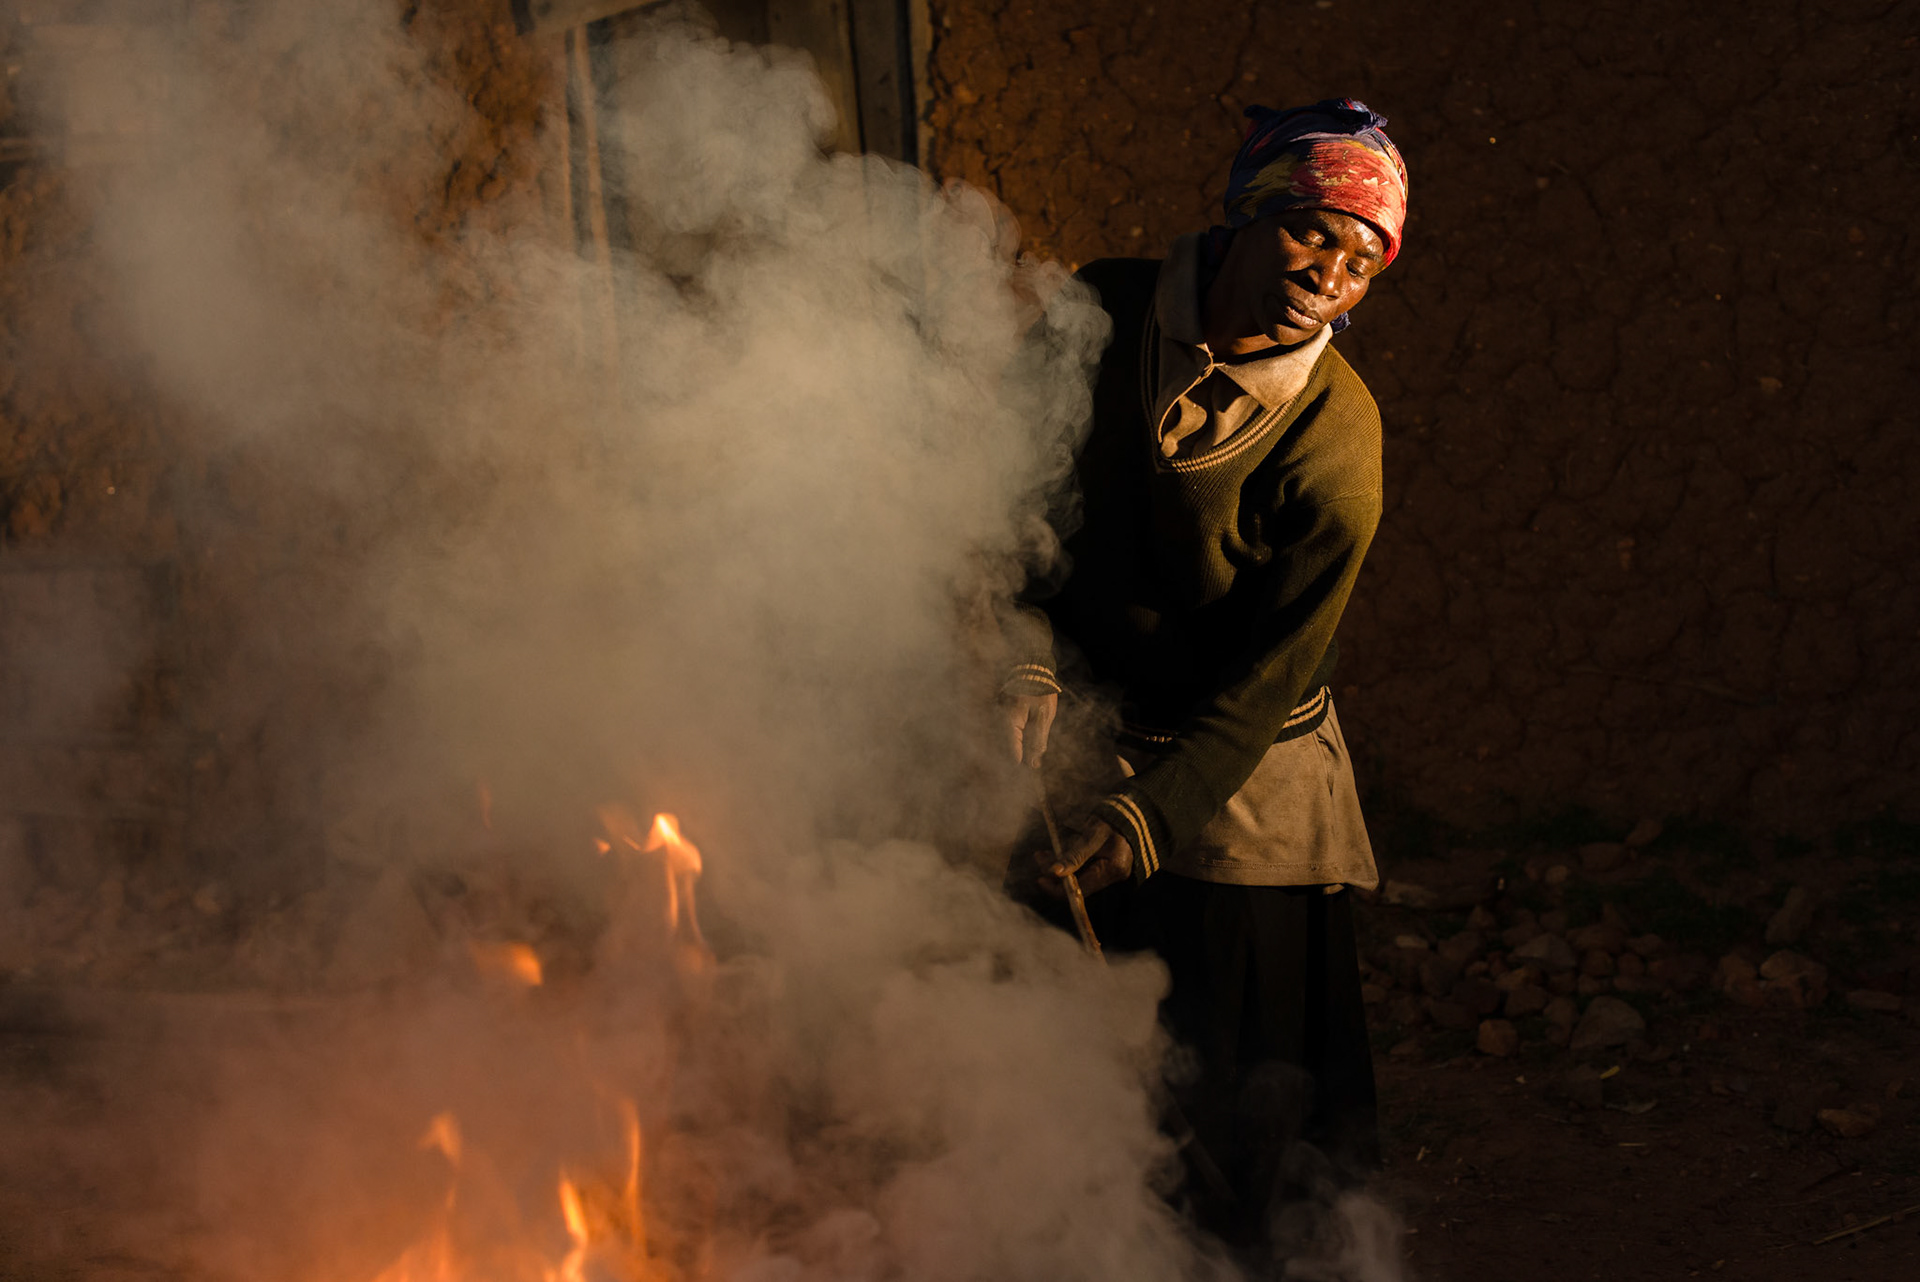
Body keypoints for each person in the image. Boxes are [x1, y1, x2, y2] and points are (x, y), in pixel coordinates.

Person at [1002, 99, 1408, 1257]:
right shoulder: (1108, 307)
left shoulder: (1338, 445)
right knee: (1053, 1047)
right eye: (1312, 233)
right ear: (1244, 217)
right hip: (1089, 716)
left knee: (1232, 1088)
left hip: (1243, 762)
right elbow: (1022, 491)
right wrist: (1025, 654)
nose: (1329, 275)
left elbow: (1268, 681)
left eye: (1363, 261)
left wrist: (1149, 818)